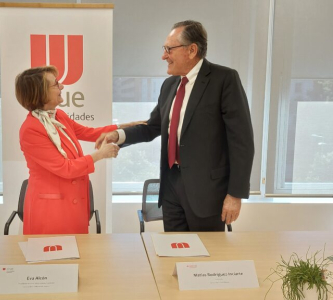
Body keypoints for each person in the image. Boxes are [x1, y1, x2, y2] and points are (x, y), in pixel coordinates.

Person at [96, 20, 254, 232]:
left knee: (205, 259)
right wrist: (119, 135)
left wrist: (235, 194)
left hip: (206, 192)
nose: (164, 56)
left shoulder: (224, 79)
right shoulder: (170, 85)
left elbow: (241, 141)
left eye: (169, 49)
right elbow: (152, 126)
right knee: (174, 252)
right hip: (171, 188)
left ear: (191, 50)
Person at [16, 65, 141, 234]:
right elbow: (65, 168)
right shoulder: (31, 130)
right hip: (50, 212)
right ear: (40, 92)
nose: (61, 87)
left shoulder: (59, 116)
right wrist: (100, 154)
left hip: (72, 206)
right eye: (55, 84)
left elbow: (88, 132)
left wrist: (124, 127)